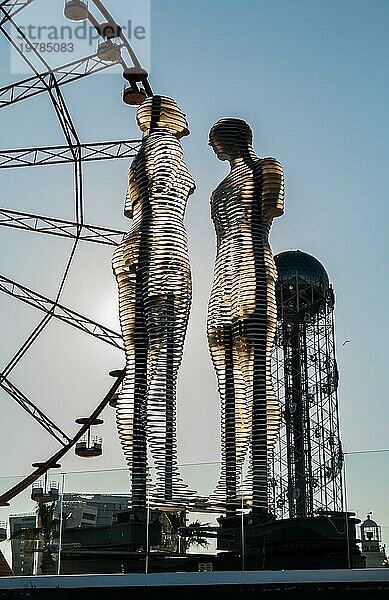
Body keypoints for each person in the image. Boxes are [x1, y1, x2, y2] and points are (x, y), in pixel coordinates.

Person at [112, 96, 195, 509]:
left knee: (140, 369)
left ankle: (144, 481)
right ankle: (163, 476)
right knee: (161, 372)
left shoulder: (138, 159)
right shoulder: (166, 151)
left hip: (133, 252)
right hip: (163, 254)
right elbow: (176, 194)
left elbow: (130, 207)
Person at [207, 118, 284, 512]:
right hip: (224, 275)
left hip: (254, 270)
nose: (213, 149)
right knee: (228, 382)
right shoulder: (220, 187)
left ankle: (257, 487)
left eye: (215, 142)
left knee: (256, 375)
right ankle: (230, 481)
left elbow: (267, 217)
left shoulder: (267, 168)